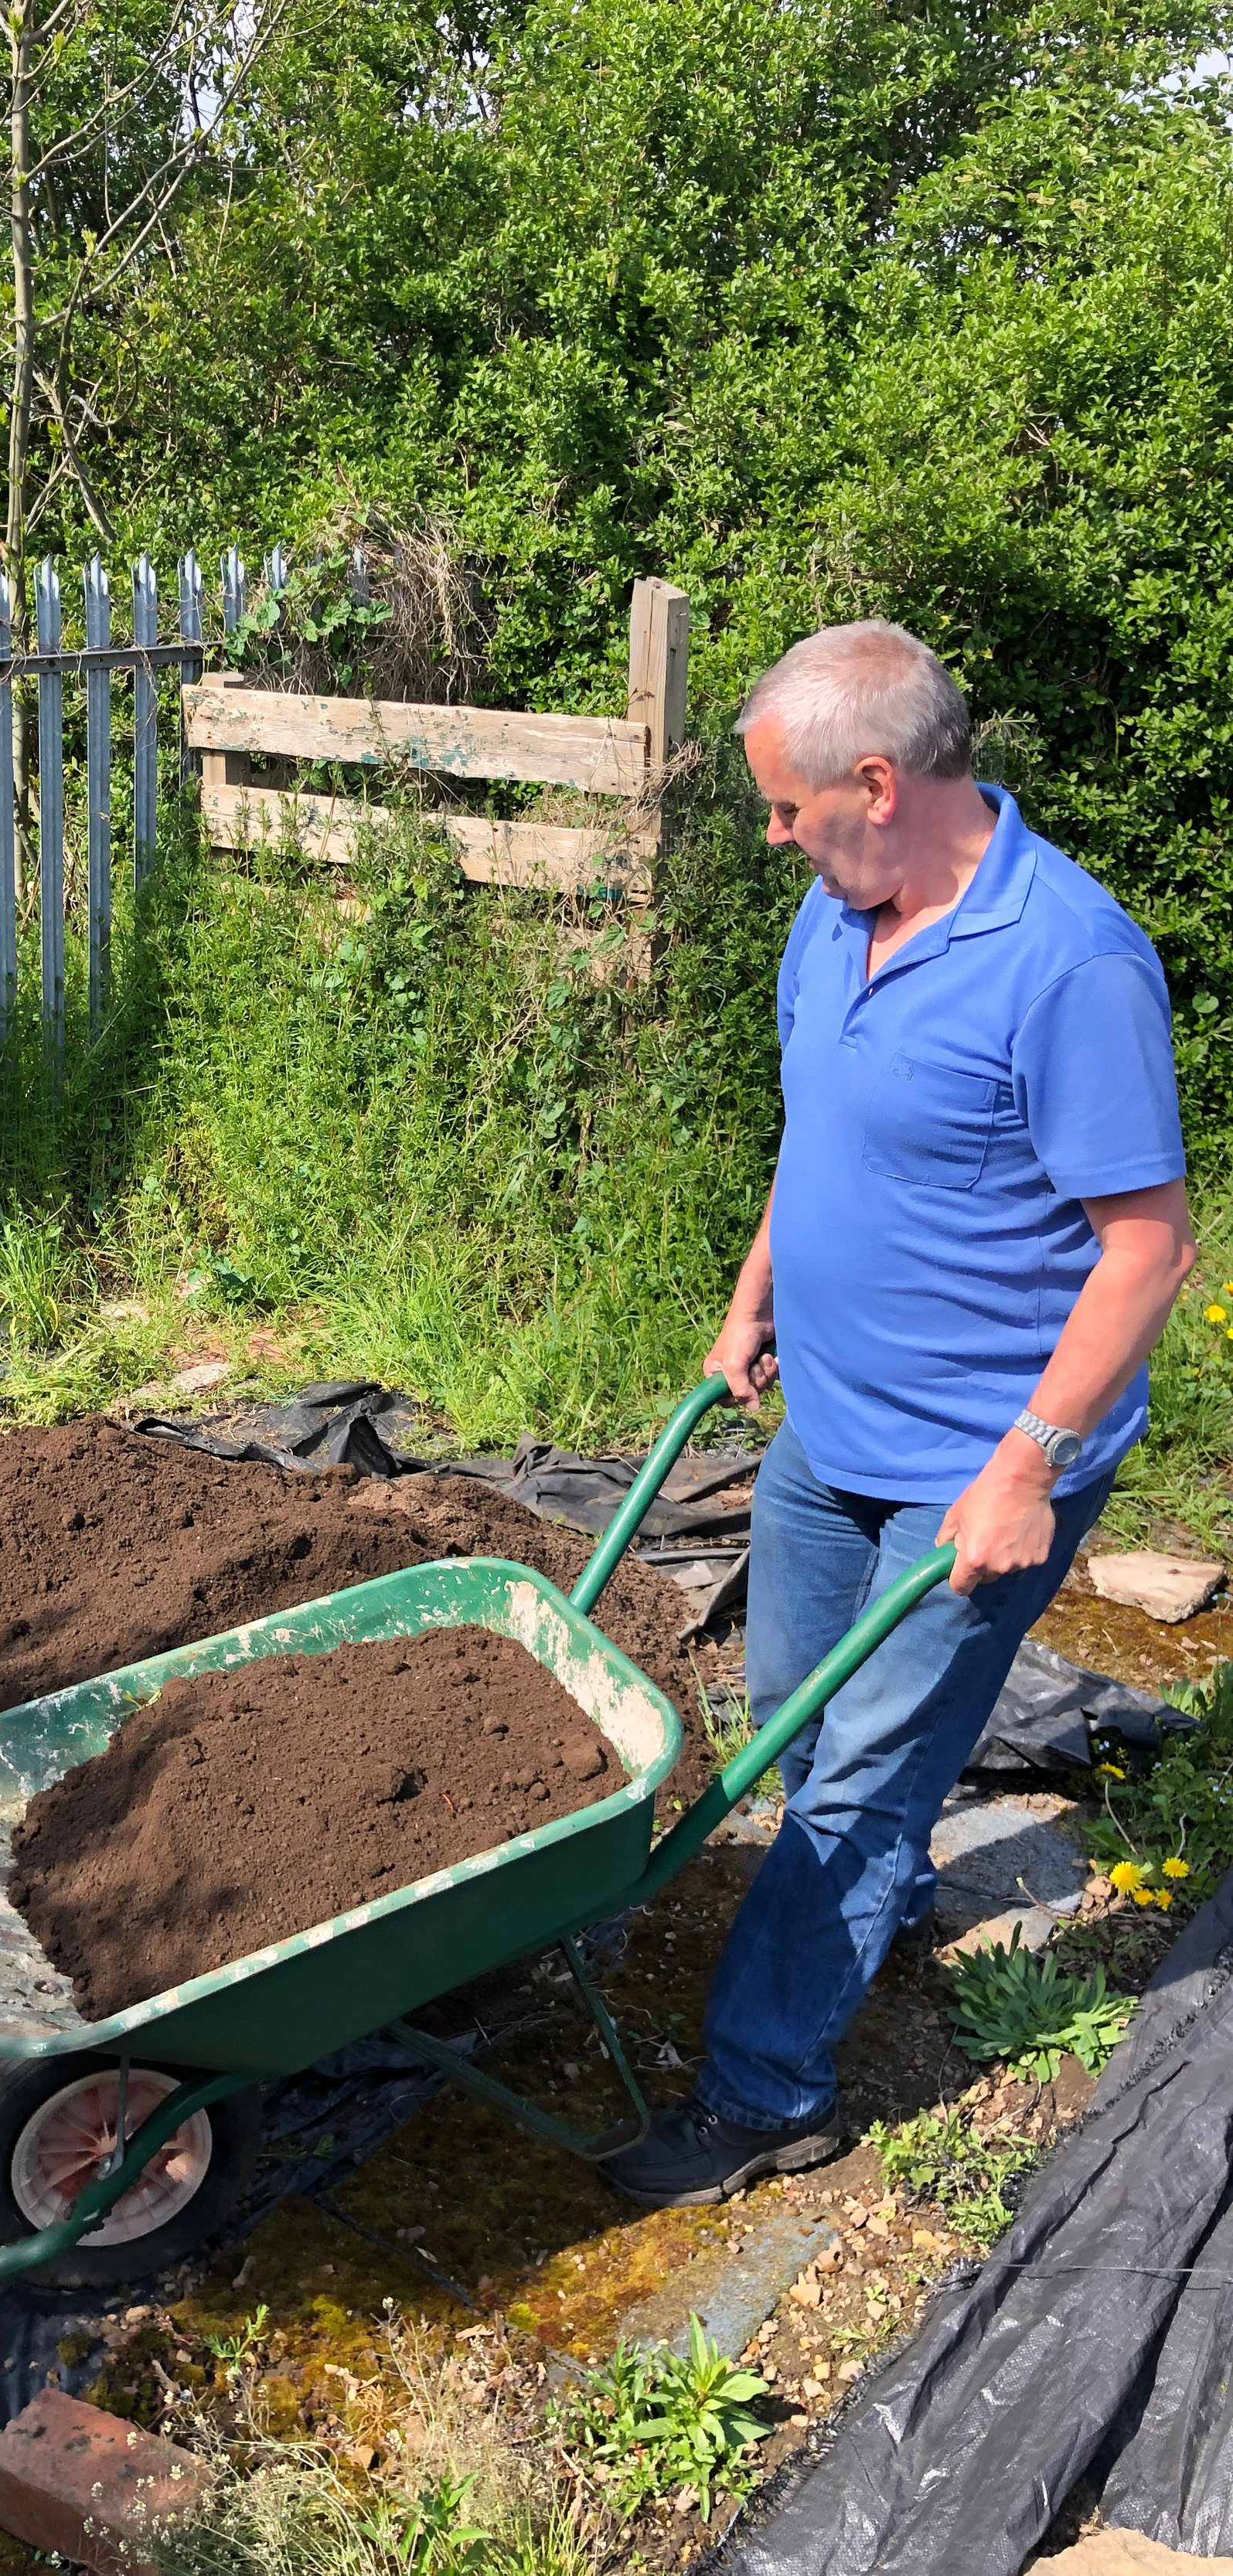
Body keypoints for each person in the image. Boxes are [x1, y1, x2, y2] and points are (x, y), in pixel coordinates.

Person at [602, 619, 1196, 2209]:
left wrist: (1026, 1467)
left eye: (785, 807)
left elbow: (1147, 1246)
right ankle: (868, 1897)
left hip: (975, 1466)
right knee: (796, 1711)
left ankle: (761, 2093)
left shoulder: (1065, 960)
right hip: (831, 1428)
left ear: (874, 779)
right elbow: (823, 1135)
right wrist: (754, 1298)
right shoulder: (835, 914)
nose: (771, 834)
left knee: (855, 1776)